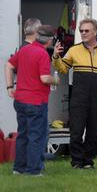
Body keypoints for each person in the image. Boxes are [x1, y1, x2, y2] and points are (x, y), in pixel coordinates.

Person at [52, 18, 97, 169]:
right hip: (78, 98)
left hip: (96, 99)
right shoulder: (74, 50)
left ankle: (88, 161)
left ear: (95, 32)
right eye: (81, 31)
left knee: (92, 133)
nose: (83, 33)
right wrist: (56, 56)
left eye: (86, 31)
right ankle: (76, 162)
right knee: (76, 132)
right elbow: (63, 69)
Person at [5, 25, 59, 176]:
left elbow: (8, 65)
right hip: (36, 101)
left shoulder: (24, 50)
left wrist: (10, 87)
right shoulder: (42, 54)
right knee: (37, 136)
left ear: (37, 37)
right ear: (49, 40)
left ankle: (18, 168)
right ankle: (33, 170)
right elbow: (44, 78)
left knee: (23, 135)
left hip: (20, 100)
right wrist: (55, 80)